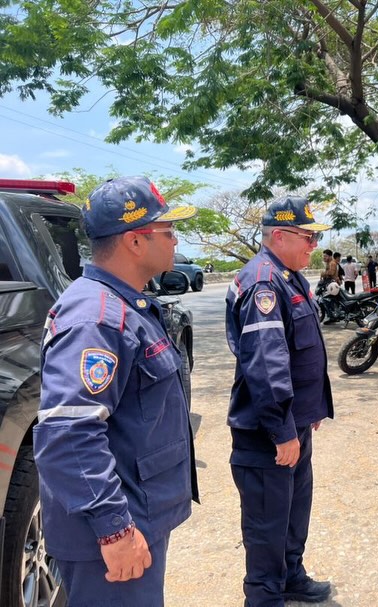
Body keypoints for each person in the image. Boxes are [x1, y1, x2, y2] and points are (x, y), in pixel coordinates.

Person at [34, 176, 199, 606]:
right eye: (167, 230)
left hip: (134, 514)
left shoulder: (125, 305)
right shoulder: (97, 318)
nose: (175, 239)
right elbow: (68, 435)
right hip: (111, 533)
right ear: (135, 242)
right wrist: (115, 529)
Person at [225, 196, 334, 607]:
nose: (313, 245)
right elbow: (266, 367)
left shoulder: (290, 276)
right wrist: (283, 430)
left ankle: (290, 577)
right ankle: (265, 596)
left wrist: (308, 413)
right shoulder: (264, 283)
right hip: (268, 434)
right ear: (279, 236)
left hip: (293, 425)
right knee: (267, 524)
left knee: (293, 513)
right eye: (308, 237)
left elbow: (300, 353)